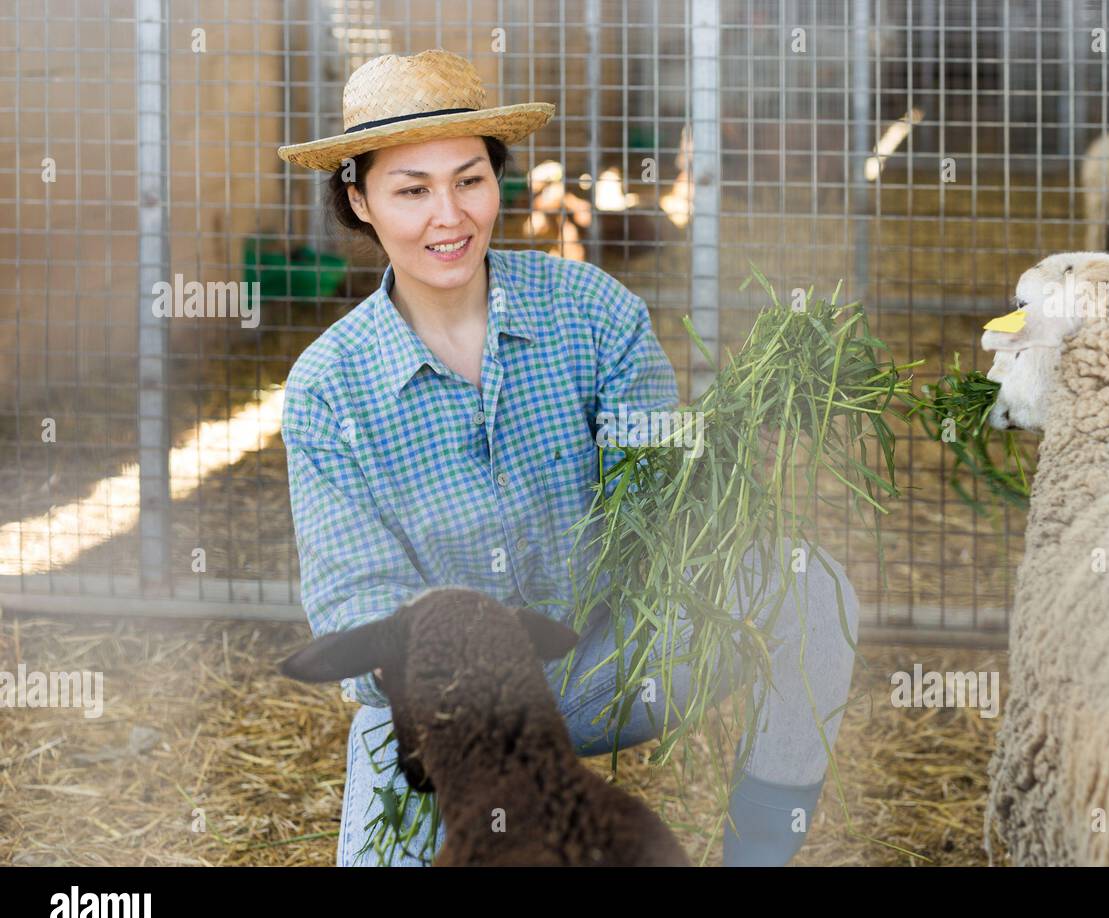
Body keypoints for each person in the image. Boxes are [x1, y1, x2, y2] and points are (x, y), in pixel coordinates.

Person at [277, 49, 861, 867]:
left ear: (497, 180)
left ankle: (757, 854)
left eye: (469, 180)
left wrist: (714, 466)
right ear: (359, 199)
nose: (449, 217)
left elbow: (656, 512)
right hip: (443, 713)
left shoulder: (592, 313)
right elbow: (355, 601)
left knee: (810, 587)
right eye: (411, 189)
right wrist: (465, 683)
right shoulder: (328, 389)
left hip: (606, 663)